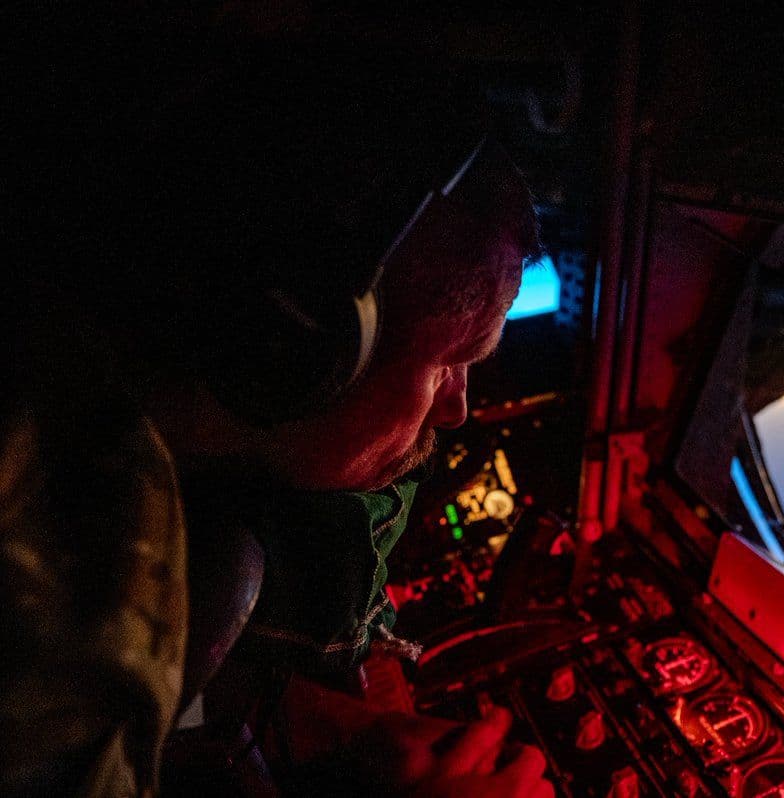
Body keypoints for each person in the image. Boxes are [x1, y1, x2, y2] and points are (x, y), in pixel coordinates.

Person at [0, 19, 554, 798]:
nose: (456, 410)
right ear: (302, 343)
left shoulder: (58, 352)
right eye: (450, 365)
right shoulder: (80, 590)